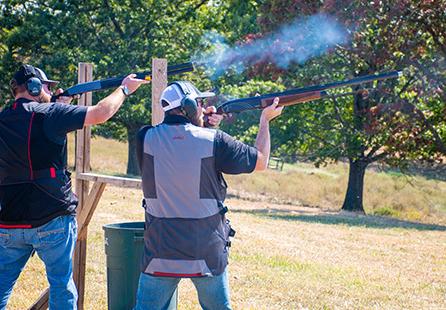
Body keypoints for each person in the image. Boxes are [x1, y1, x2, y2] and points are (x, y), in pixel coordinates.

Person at [0, 64, 148, 310]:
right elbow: (101, 112)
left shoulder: (5, 118)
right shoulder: (50, 114)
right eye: (47, 86)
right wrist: (125, 89)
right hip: (51, 217)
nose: (50, 90)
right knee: (61, 284)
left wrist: (59, 106)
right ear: (35, 87)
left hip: (10, 221)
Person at [134, 81, 283, 309]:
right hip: (205, 250)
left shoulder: (143, 138)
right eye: (200, 103)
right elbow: (261, 160)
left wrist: (203, 125)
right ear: (189, 106)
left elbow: (176, 140)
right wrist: (265, 120)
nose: (204, 108)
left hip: (159, 249)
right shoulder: (215, 140)